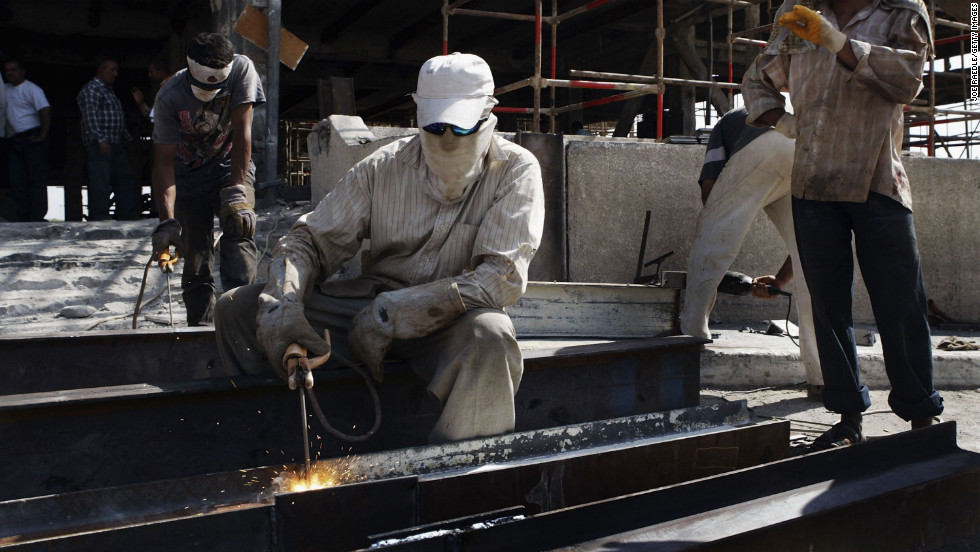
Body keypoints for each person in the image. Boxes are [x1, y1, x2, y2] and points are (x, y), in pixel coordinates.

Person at [214, 52, 545, 444]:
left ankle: (459, 471)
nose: (446, 137)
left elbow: (500, 279)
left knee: (491, 335)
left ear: (488, 113)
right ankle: (269, 440)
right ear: (419, 113)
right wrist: (284, 302)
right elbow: (309, 241)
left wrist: (396, 312)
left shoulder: (515, 170)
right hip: (363, 310)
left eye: (458, 127)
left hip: (451, 323)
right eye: (435, 125)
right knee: (237, 308)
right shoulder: (382, 167)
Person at [742, 0, 943, 448]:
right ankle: (847, 418)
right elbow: (757, 78)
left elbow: (908, 80)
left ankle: (919, 416)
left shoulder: (901, 11)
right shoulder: (799, 16)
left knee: (901, 304)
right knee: (828, 307)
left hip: (878, 181)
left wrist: (838, 43)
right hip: (813, 182)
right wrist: (783, 121)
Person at [680, 106, 822, 397]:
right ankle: (822, 376)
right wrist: (780, 281)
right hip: (809, 148)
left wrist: (736, 212)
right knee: (811, 254)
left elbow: (711, 197)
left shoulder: (723, 127)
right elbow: (803, 246)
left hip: (766, 141)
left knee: (712, 236)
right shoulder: (790, 104)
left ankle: (689, 341)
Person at [150, 33, 265, 326]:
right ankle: (200, 325)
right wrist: (167, 222)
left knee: (239, 229)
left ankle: (242, 321)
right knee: (196, 257)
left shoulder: (242, 70)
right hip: (187, 176)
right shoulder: (169, 96)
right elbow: (163, 163)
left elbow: (243, 133)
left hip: (230, 167)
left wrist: (237, 191)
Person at [77, 55, 140, 221]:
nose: (115, 74)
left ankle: (126, 214)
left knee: (123, 178)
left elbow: (116, 116)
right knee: (100, 179)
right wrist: (99, 139)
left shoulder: (108, 90)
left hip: (116, 141)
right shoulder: (92, 90)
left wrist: (126, 139)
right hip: (101, 142)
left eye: (116, 70)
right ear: (101, 70)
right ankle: (100, 215)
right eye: (112, 70)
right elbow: (90, 117)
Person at [4, 58, 50, 222]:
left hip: (32, 139)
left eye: (14, 69)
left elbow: (45, 110)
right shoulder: (5, 89)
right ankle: (23, 217)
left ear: (22, 72)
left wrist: (42, 135)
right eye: (7, 70)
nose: (10, 73)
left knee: (36, 180)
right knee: (18, 181)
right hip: (14, 140)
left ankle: (37, 217)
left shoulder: (32, 89)